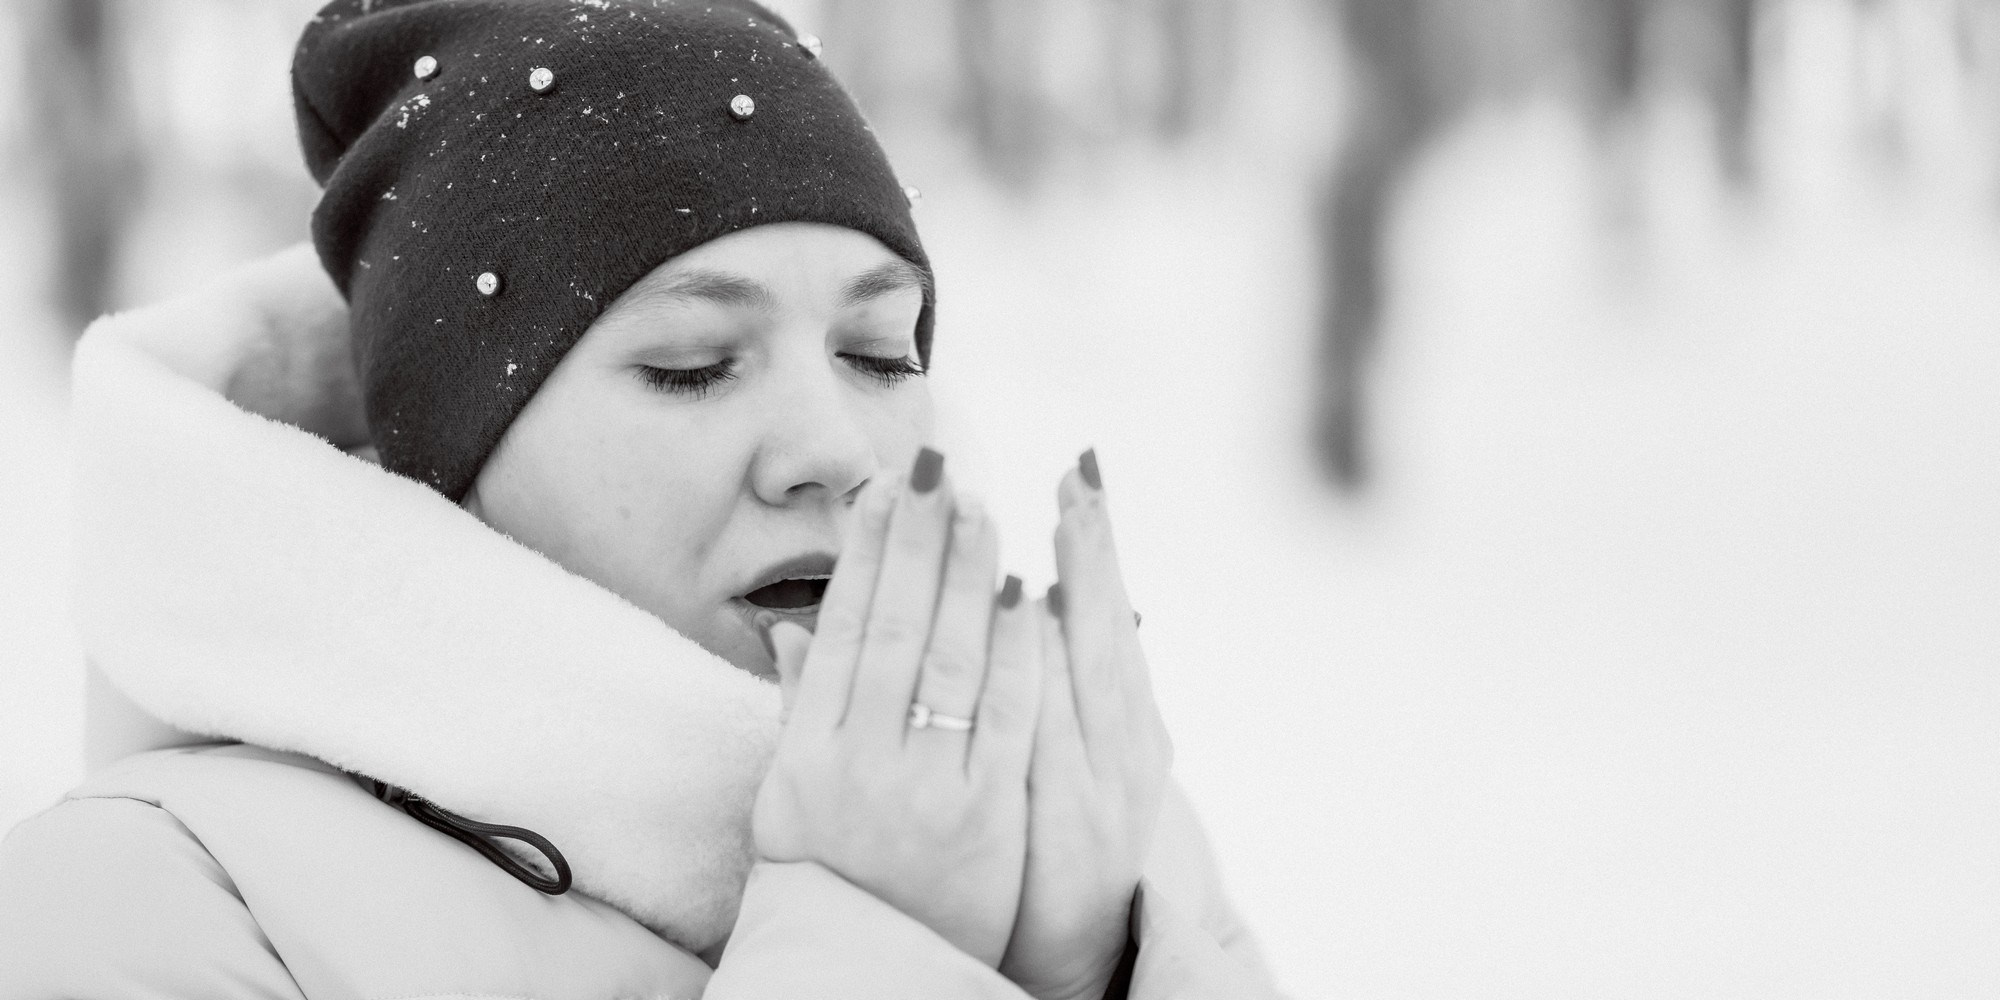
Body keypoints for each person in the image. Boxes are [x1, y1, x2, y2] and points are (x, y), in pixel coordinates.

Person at [0, 1, 1277, 996]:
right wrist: (881, 938)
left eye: (879, 353)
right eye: (692, 365)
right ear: (452, 455)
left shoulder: (1081, 828)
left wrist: (1082, 967)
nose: (835, 449)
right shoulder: (154, 898)